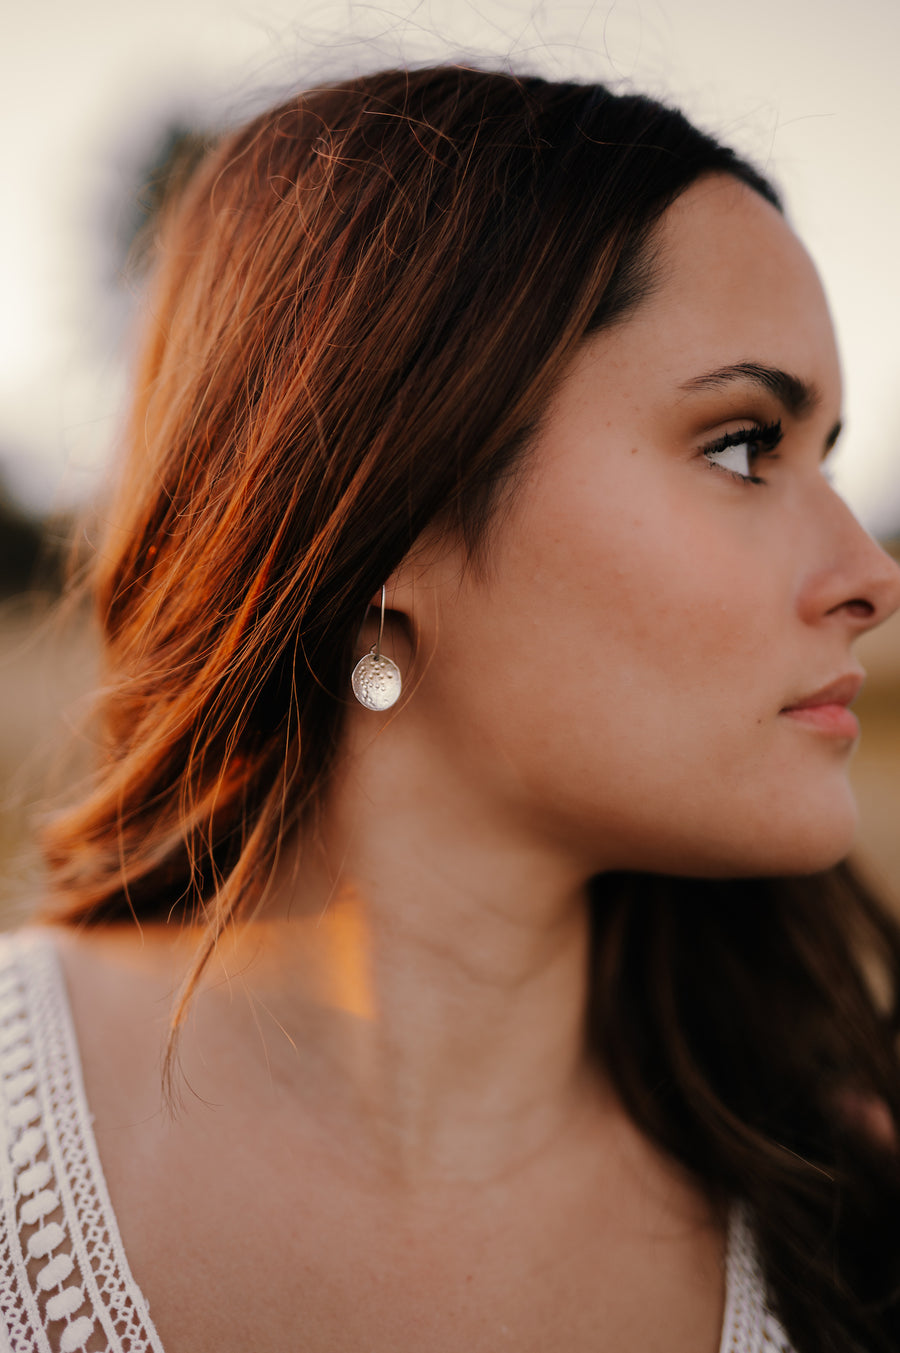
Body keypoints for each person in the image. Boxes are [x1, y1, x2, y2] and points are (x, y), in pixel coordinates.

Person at [2, 64, 899, 1353]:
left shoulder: (851, 1218)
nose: (872, 574)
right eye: (744, 444)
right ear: (393, 516)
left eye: (829, 459)